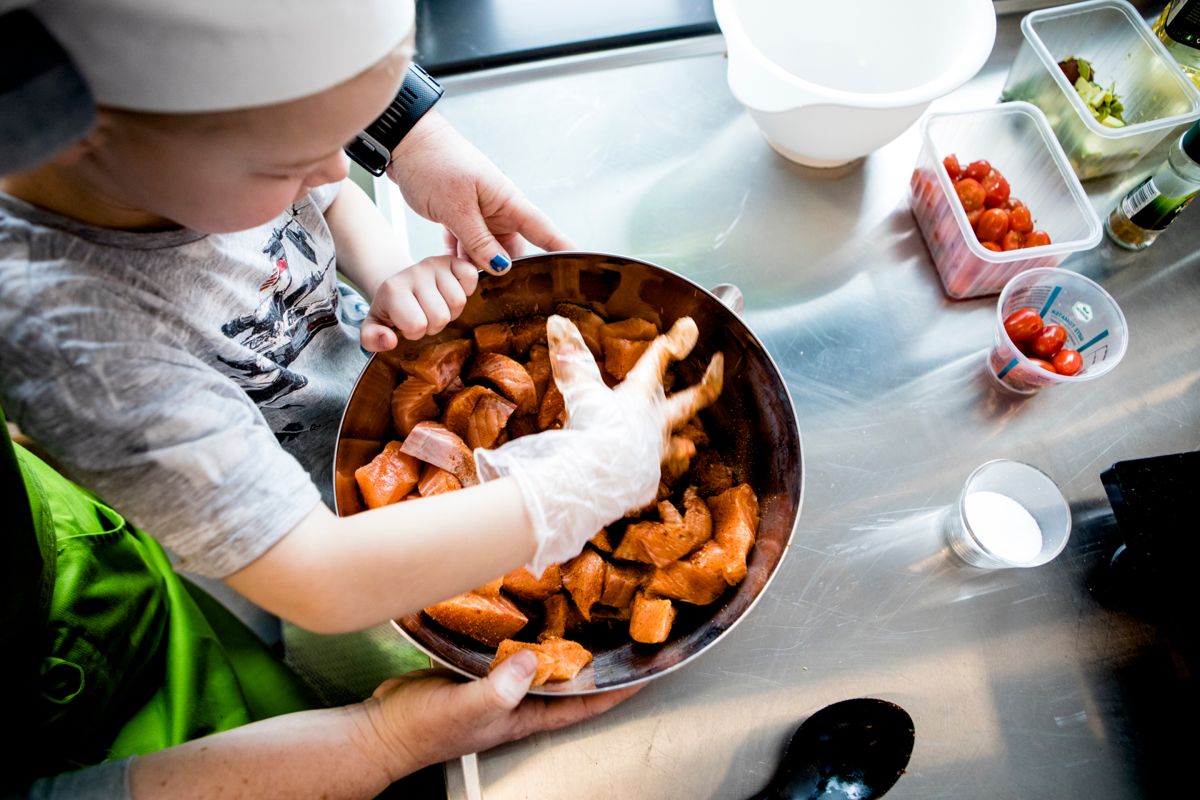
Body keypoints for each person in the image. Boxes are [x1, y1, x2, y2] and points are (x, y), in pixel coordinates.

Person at [0, 0, 712, 794]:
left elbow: (326, 198)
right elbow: (319, 577)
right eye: (288, 162)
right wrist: (572, 488)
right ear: (86, 128)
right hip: (241, 539)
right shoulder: (68, 334)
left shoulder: (190, 154)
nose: (341, 167)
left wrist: (396, 231)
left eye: (342, 136)